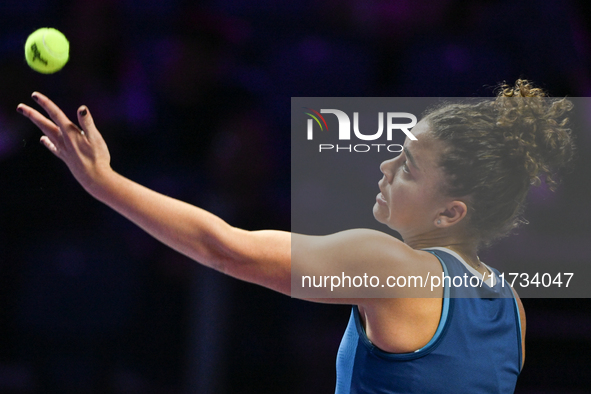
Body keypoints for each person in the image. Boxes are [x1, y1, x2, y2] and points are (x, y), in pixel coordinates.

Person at [16, 79, 575, 393]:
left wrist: (103, 183)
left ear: (452, 212)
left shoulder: (393, 265)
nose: (383, 167)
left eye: (406, 166)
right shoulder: (510, 305)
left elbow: (224, 249)